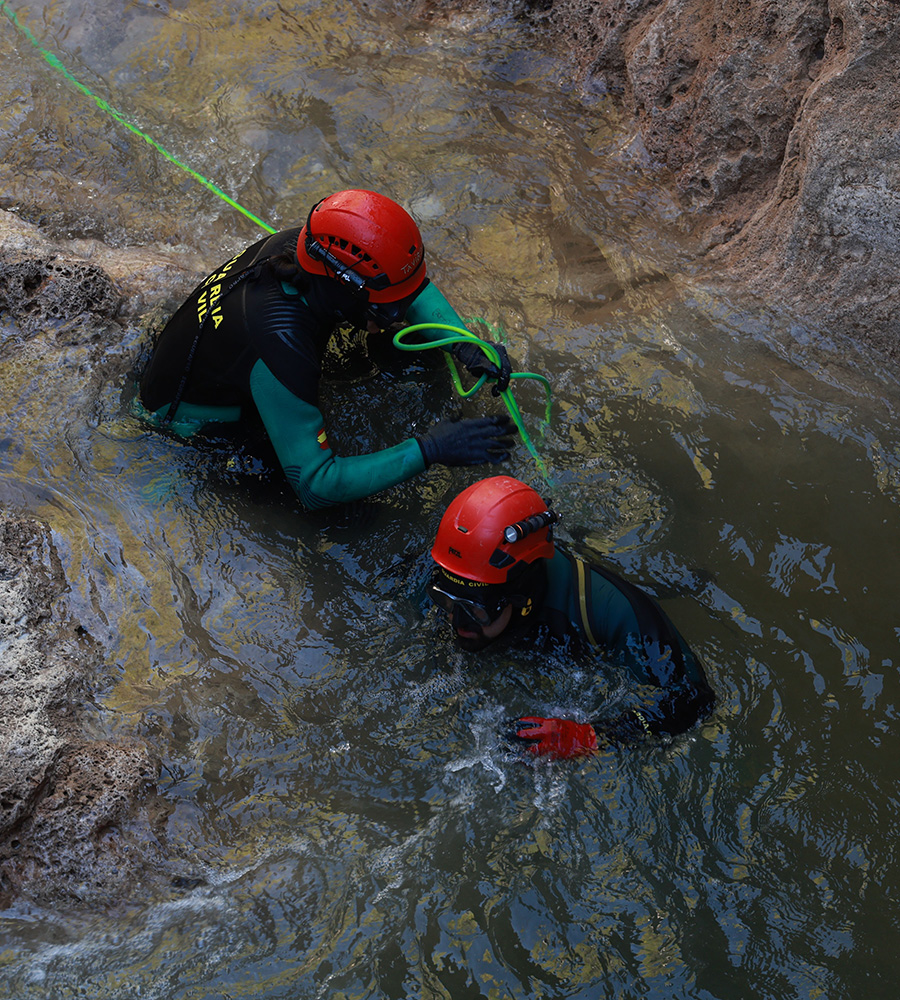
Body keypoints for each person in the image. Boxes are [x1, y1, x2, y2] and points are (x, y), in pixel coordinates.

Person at [138, 189, 516, 509]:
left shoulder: (311, 247)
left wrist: (463, 343)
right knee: (353, 520)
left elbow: (412, 288)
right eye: (385, 306)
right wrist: (429, 450)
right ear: (345, 287)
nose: (398, 314)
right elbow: (315, 486)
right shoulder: (280, 343)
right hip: (193, 432)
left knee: (416, 351)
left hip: (224, 359)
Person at [427, 476, 715, 759]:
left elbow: (692, 700)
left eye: (477, 610)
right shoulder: (455, 570)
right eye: (447, 601)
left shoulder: (609, 609)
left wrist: (590, 737)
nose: (458, 622)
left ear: (521, 596)